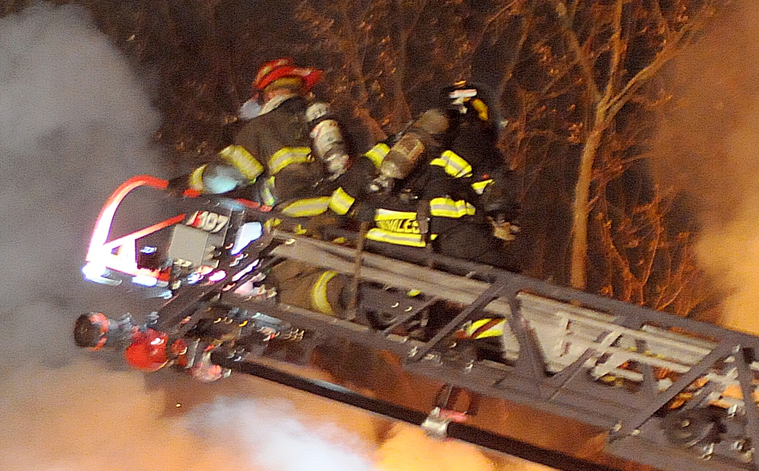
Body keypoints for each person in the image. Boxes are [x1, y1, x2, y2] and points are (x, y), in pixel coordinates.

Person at [171, 58, 356, 314]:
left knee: (285, 288)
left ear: (269, 93)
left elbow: (226, 175)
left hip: (296, 223)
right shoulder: (329, 125)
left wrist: (188, 182)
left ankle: (347, 296)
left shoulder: (264, 126)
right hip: (343, 220)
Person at [329, 78, 521, 270]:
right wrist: (501, 224)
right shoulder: (477, 144)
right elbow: (497, 199)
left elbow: (358, 174)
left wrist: (340, 216)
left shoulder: (401, 139)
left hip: (383, 239)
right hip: (444, 239)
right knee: (507, 279)